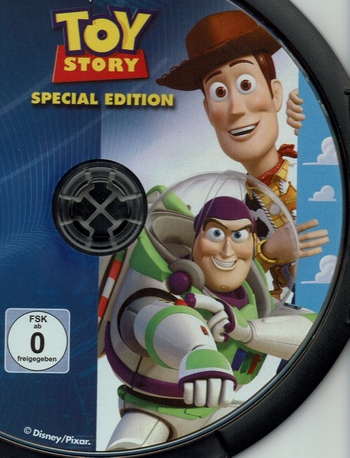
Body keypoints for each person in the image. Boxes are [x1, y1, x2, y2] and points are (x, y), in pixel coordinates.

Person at [104, 193, 316, 451]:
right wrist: (199, 350)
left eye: (239, 236)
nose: (227, 250)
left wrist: (246, 331)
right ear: (196, 238)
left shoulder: (253, 298)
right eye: (216, 234)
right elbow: (154, 317)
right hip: (151, 414)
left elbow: (315, 332)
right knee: (129, 450)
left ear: (252, 242)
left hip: (216, 411)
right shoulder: (160, 280)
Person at [157, 10, 328, 299]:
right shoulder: (229, 206)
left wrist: (327, 135)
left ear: (275, 94)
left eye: (246, 85)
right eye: (219, 92)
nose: (235, 109)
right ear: (208, 112)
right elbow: (219, 277)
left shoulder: (311, 164)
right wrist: (270, 251)